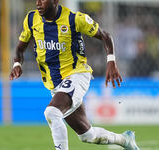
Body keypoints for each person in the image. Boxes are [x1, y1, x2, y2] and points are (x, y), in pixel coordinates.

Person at [9, 0, 140, 150]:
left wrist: (111, 61)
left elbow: (105, 36)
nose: (38, 3)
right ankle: (125, 140)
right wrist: (17, 64)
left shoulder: (74, 19)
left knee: (52, 112)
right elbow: (19, 48)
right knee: (87, 135)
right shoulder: (31, 19)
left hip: (77, 74)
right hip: (57, 85)